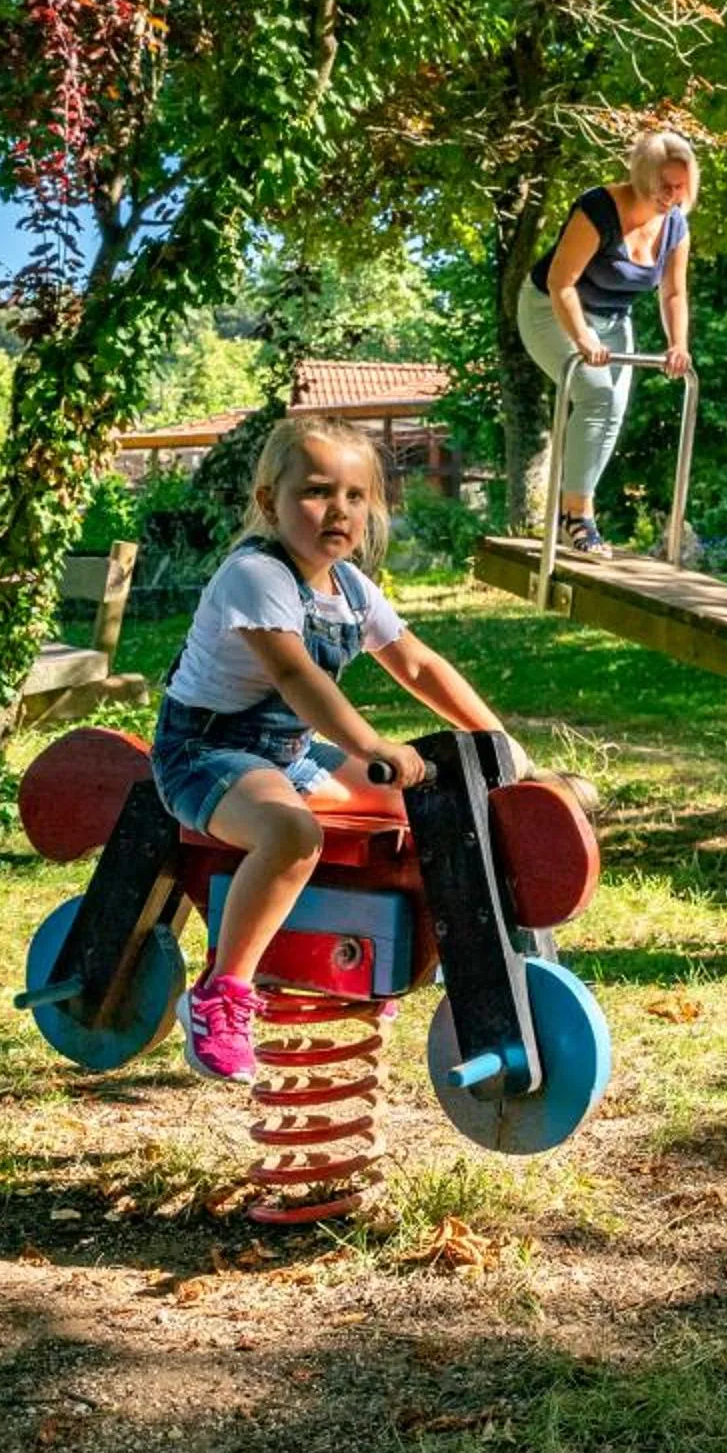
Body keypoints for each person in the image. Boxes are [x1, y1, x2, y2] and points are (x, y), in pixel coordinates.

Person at [152, 417, 511, 1081]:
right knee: (290, 832)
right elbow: (295, 675)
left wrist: (494, 740)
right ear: (270, 502)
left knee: (427, 806)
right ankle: (221, 993)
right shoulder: (254, 576)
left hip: (287, 752)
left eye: (354, 496)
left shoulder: (349, 589)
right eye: (317, 492)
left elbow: (419, 665)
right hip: (206, 755)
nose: (338, 510)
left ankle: (390, 951)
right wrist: (371, 743)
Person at [518, 129, 699, 557]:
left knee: (613, 411)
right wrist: (582, 339)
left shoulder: (675, 225)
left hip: (615, 317)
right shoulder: (598, 209)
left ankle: (575, 510)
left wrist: (678, 343)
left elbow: (673, 293)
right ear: (642, 177)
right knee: (597, 394)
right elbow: (562, 283)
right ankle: (577, 518)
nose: (671, 195)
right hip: (552, 308)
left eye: (680, 186)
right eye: (663, 186)